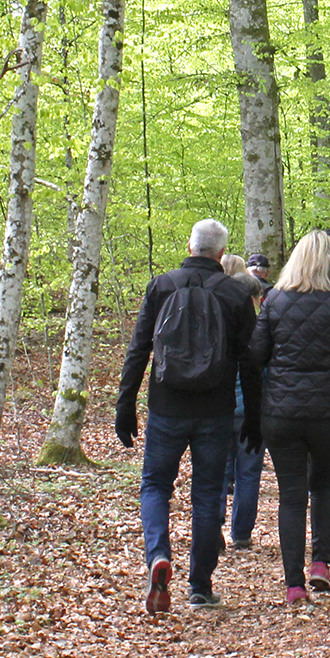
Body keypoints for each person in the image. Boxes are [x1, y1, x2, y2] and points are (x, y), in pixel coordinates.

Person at [114, 218, 258, 613]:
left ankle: (158, 556)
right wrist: (254, 417)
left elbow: (139, 349)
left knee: (155, 485)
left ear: (190, 247)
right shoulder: (235, 293)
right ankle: (200, 586)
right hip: (216, 410)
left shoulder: (162, 286)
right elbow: (250, 362)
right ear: (222, 254)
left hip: (166, 407)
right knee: (208, 493)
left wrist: (126, 404)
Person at [248, 231, 330, 601]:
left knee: (291, 495)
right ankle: (320, 562)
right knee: (323, 485)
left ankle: (293, 584)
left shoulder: (274, 299)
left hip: (282, 412)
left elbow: (256, 354)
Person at [221, 255, 266, 551]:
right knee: (248, 473)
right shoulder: (261, 329)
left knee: (217, 471)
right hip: (251, 410)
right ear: (256, 298)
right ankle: (241, 533)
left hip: (221, 408)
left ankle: (213, 526)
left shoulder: (217, 324)